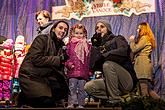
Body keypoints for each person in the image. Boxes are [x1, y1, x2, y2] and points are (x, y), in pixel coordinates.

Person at [84, 20, 137, 106]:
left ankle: (114, 100)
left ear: (108, 28)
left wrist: (104, 55)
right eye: (97, 28)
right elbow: (93, 66)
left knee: (108, 64)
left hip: (126, 81)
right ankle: (119, 98)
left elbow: (123, 51)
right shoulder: (99, 46)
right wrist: (95, 48)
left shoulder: (117, 38)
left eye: (102, 26)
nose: (99, 29)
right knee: (89, 87)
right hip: (112, 84)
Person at [17, 20, 70, 108]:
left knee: (63, 91)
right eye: (60, 28)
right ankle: (24, 97)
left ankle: (28, 96)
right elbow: (36, 59)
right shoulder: (42, 39)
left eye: (65, 30)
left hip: (45, 76)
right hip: (30, 75)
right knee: (47, 103)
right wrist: (58, 59)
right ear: (53, 29)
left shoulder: (61, 45)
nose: (63, 31)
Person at [129, 22, 160, 99]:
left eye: (139, 28)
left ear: (143, 29)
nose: (137, 30)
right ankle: (160, 104)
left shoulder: (145, 38)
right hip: (143, 63)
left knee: (144, 89)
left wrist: (132, 41)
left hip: (142, 65)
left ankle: (147, 105)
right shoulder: (147, 38)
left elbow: (134, 49)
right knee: (147, 89)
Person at [65, 23, 92, 108]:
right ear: (73, 33)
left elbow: (89, 59)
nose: (79, 35)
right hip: (73, 70)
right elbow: (66, 57)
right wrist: (69, 64)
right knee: (72, 87)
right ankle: (71, 103)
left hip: (83, 71)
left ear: (84, 34)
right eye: (77, 33)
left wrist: (89, 70)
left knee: (82, 89)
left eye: (81, 33)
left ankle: (81, 104)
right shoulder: (69, 45)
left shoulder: (87, 45)